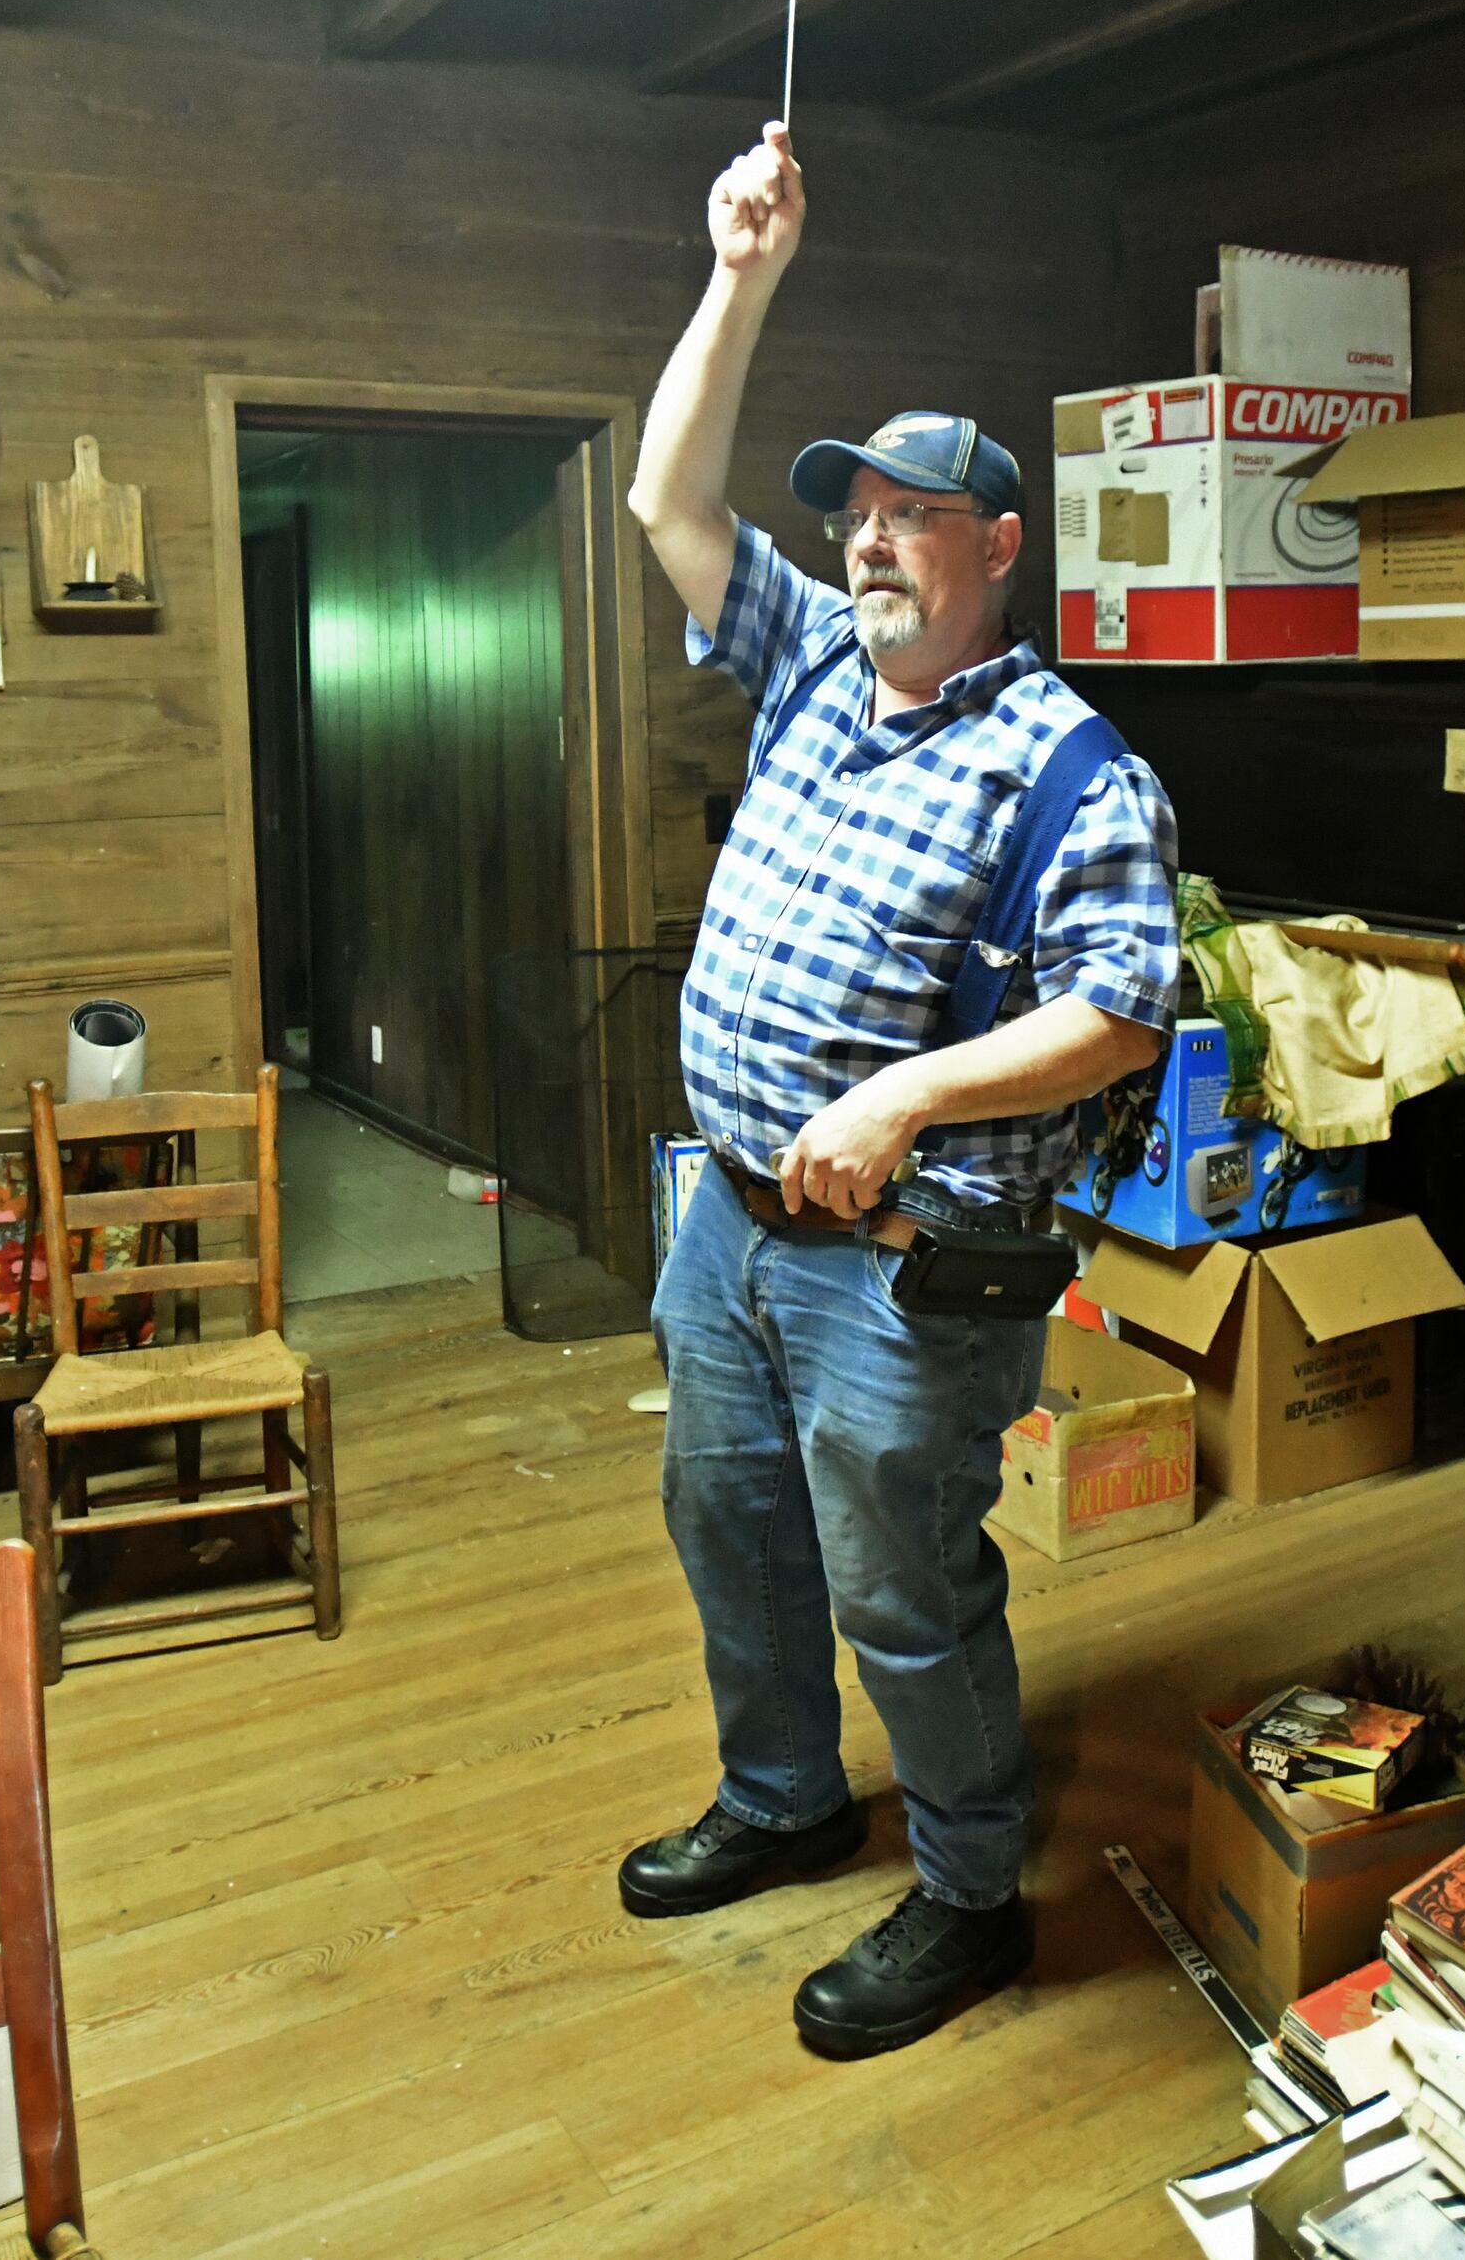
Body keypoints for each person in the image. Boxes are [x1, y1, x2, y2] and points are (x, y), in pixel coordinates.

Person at [618, 121, 1180, 2057]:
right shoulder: (803, 673)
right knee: (731, 1518)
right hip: (733, 1222)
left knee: (905, 1582)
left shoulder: (1069, 763)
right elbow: (664, 490)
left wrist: (911, 1098)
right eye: (853, 511)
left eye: (911, 514)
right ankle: (783, 1794)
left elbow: (1124, 1006)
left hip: (903, 1254)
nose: (866, 539)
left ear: (997, 546)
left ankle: (967, 1888)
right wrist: (742, 273)